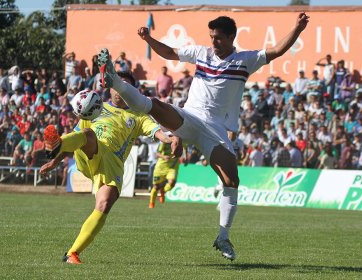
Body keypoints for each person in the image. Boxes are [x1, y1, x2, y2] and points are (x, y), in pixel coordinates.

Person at [98, 12, 309, 261]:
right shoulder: (201, 53)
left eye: (218, 38)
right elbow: (170, 53)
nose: (213, 42)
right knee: (154, 104)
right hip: (190, 117)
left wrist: (297, 29)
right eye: (211, 37)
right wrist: (149, 39)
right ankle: (115, 80)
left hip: (215, 129)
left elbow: (276, 51)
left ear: (232, 37)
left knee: (231, 180)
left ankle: (223, 237)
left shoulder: (245, 61)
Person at [39, 71, 182, 264]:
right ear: (110, 86)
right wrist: (54, 160)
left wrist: (171, 138)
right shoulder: (94, 106)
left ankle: (72, 254)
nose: (121, 90)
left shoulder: (138, 115)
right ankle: (54, 145)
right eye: (118, 84)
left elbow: (157, 132)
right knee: (88, 133)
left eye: (127, 87)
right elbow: (76, 137)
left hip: (112, 164)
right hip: (90, 152)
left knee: (104, 204)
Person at [149, 141, 185, 209]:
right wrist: (164, 156)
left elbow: (185, 148)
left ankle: (163, 191)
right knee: (156, 187)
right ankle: (152, 203)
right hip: (161, 167)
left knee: (172, 183)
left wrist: (185, 158)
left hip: (172, 167)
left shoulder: (180, 141)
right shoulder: (163, 142)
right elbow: (157, 153)